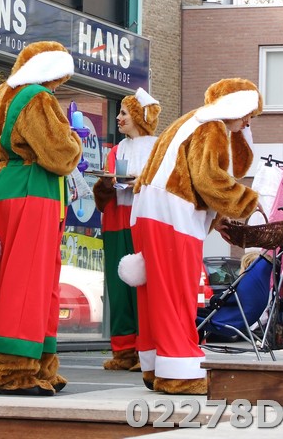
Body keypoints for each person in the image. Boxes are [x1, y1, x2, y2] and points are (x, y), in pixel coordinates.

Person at [119, 78, 262, 396]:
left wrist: (217, 218)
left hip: (147, 211)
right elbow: (209, 179)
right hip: (173, 216)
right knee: (177, 294)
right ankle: (179, 373)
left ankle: (155, 366)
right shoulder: (211, 127)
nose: (249, 122)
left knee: (153, 293)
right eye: (249, 114)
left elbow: (191, 175)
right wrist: (248, 201)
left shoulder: (189, 121)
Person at [0, 41, 82, 396]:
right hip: (34, 189)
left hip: (5, 185)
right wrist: (75, 141)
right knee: (29, 282)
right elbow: (61, 155)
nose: (59, 86)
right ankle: (13, 370)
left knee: (29, 281)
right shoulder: (37, 97)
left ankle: (40, 364)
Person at [92, 88, 160, 371]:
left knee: (144, 288)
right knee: (119, 288)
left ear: (139, 117)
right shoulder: (117, 149)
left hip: (144, 221)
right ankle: (123, 351)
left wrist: (140, 182)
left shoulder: (159, 148)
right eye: (118, 112)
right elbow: (107, 184)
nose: (118, 118)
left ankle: (147, 351)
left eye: (124, 113)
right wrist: (107, 183)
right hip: (116, 221)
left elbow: (164, 183)